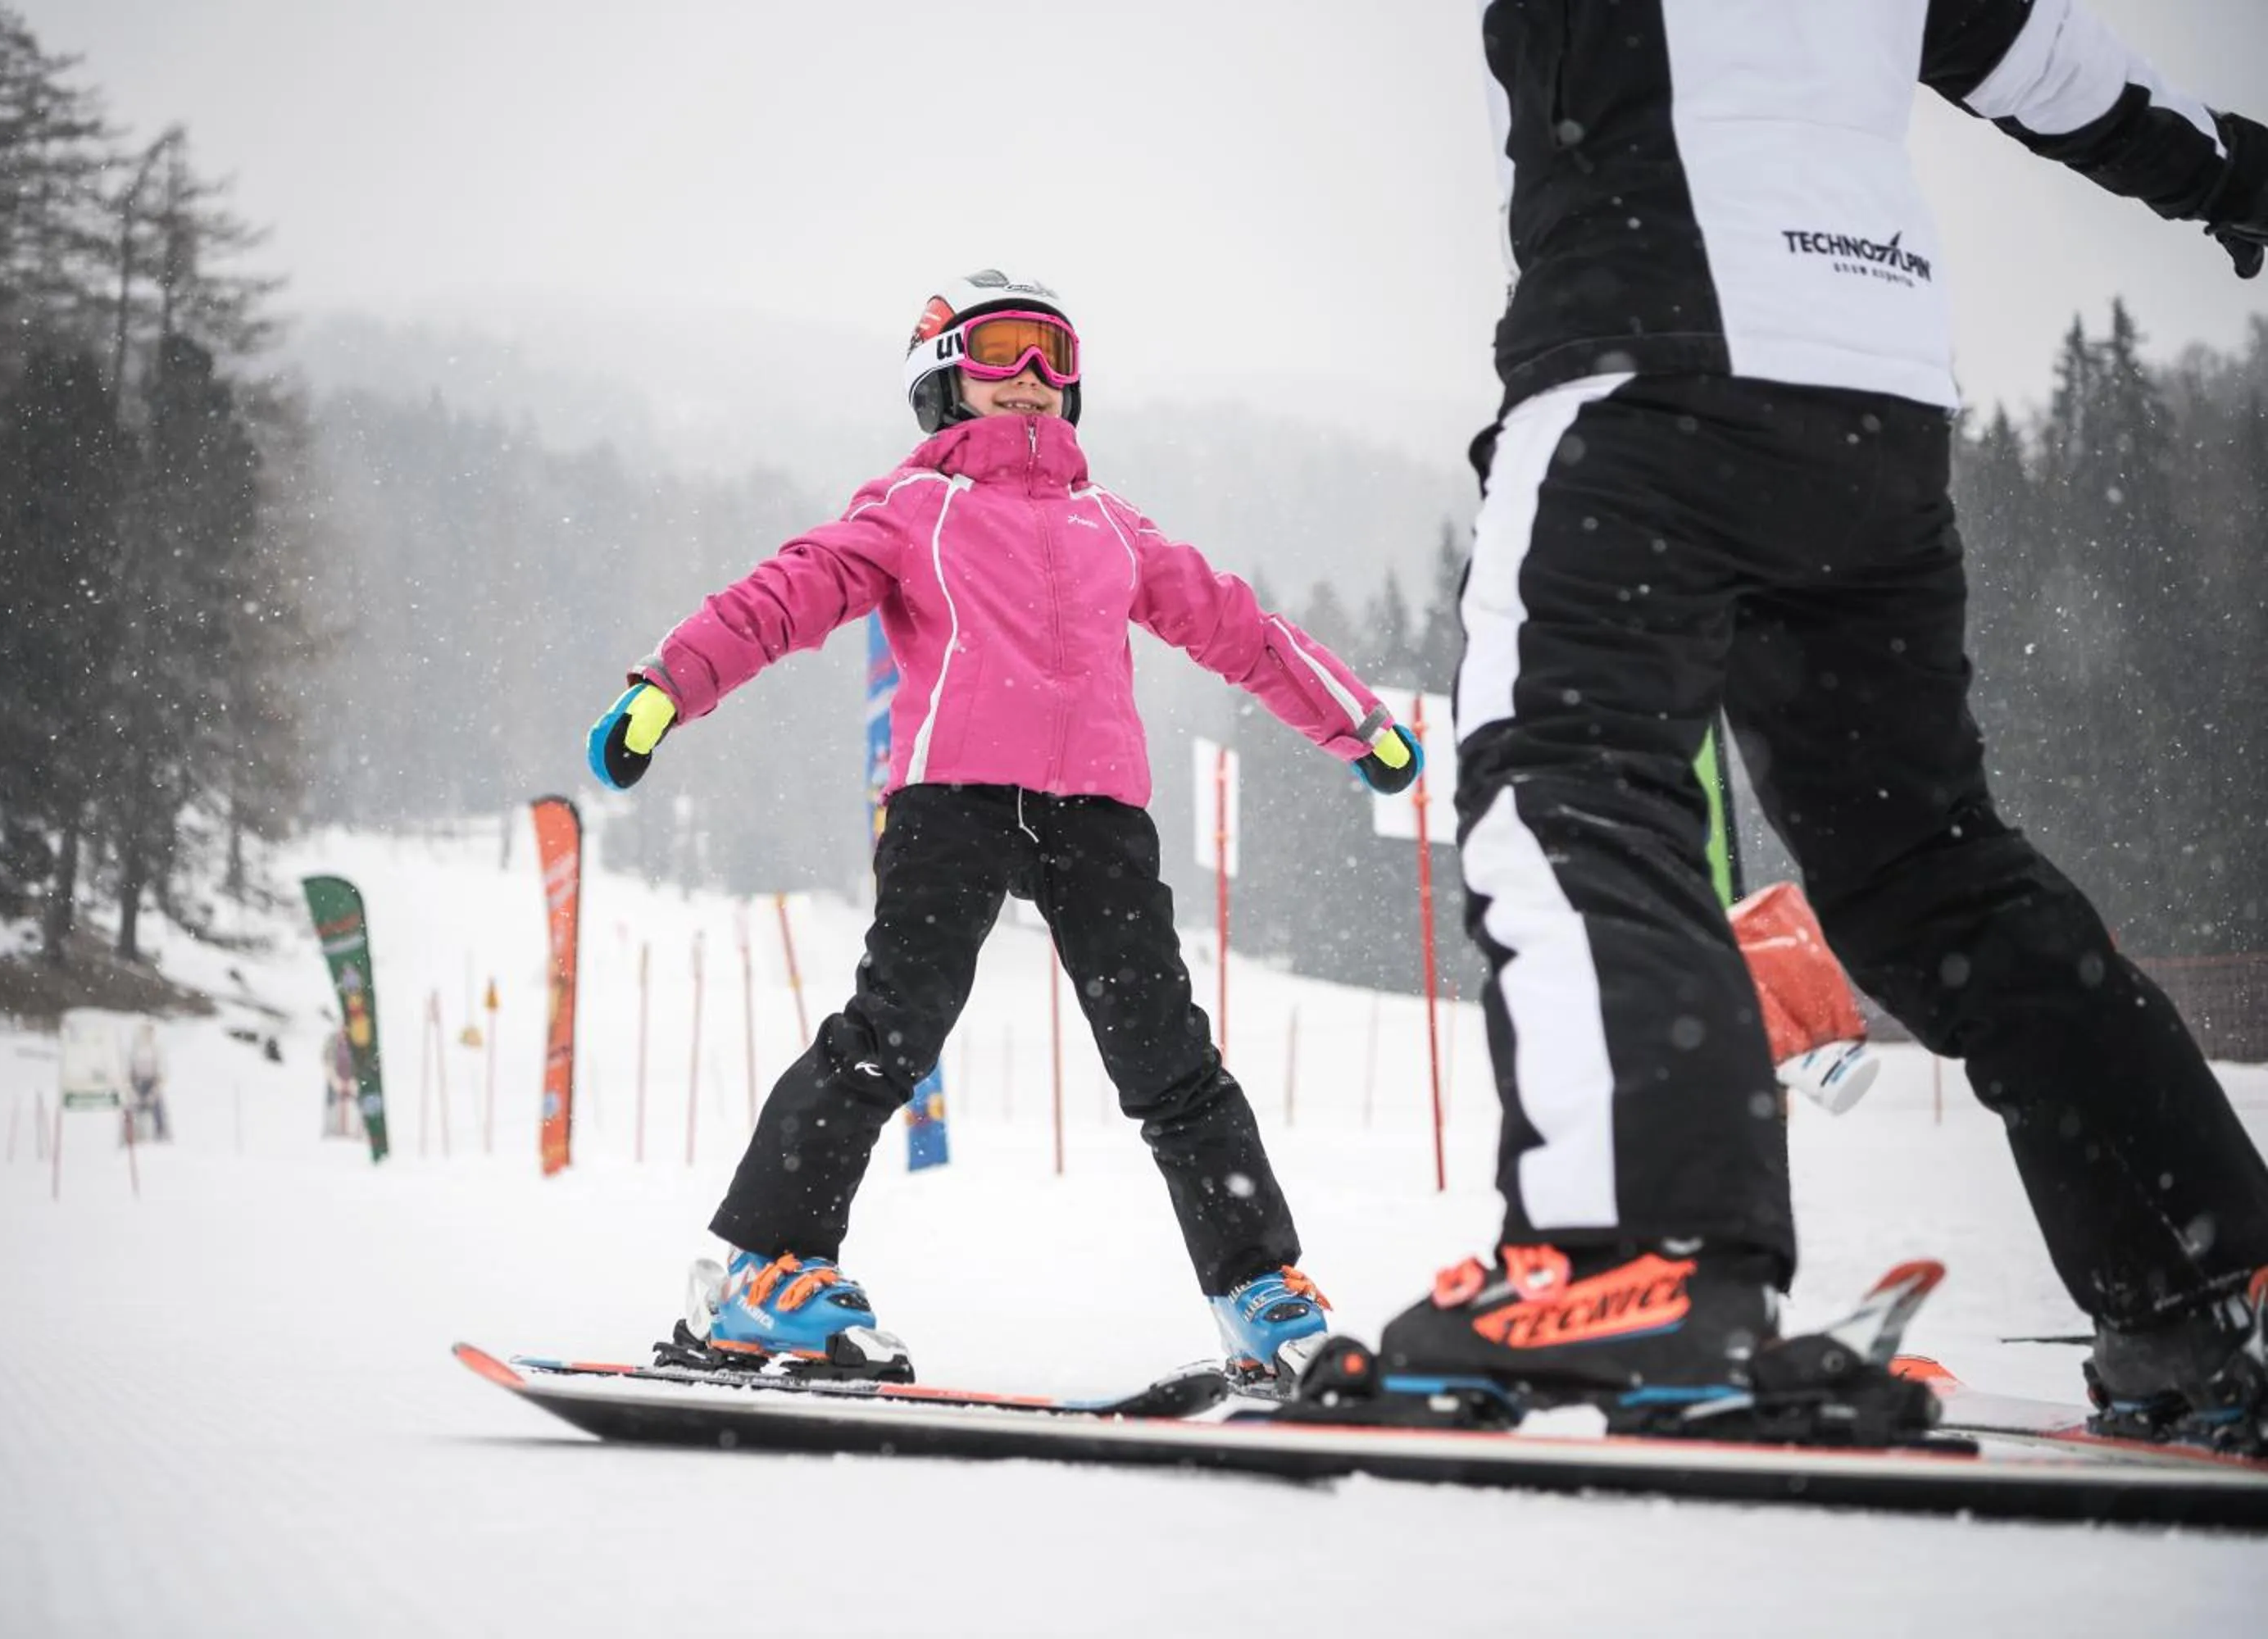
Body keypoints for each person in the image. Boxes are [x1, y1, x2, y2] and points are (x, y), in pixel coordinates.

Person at [1377, 0, 2268, 1449]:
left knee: (1569, 787)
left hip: (1649, 365)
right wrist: (2232, 173)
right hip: (1874, 414)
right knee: (1933, 865)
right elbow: (2053, 63)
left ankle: (1634, 1258)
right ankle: (2203, 1284)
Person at [588, 270, 1422, 1385]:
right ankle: (761, 1271)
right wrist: (667, 685)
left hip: (1098, 811)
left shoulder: (1109, 525)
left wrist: (1356, 723)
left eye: (1052, 356)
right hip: (955, 800)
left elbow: (1239, 629)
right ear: (943, 379)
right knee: (891, 1030)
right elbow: (782, 596)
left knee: (1169, 1056)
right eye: (1000, 353)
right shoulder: (912, 508)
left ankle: (1258, 1291)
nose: (1030, 378)